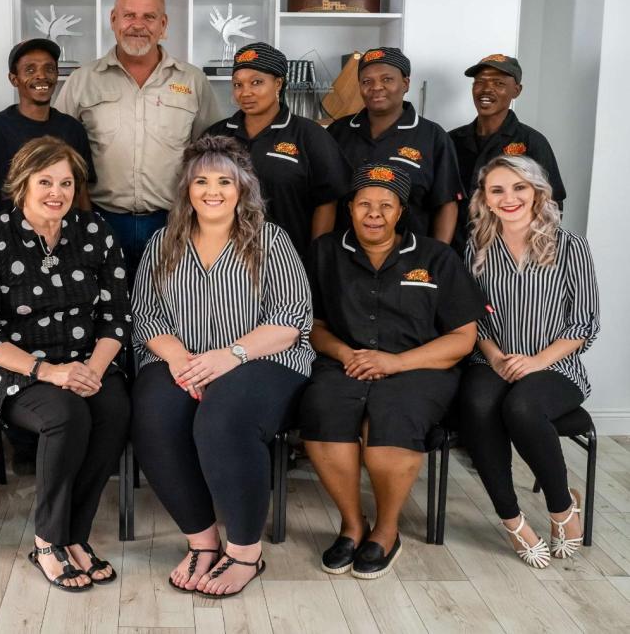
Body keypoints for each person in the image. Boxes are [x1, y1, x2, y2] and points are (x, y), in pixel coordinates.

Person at [130, 135, 314, 598]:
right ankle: (202, 542)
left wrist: (229, 356)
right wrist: (180, 360)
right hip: (182, 357)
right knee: (153, 416)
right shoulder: (162, 243)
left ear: (242, 188)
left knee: (222, 418)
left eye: (224, 182)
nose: (212, 191)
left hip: (263, 358)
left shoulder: (270, 240)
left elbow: (292, 320)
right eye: (201, 181)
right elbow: (146, 315)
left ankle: (245, 552)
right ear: (186, 189)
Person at [0, 136, 131, 592]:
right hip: (11, 366)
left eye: (66, 183)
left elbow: (115, 316)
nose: (57, 192)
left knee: (113, 409)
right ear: (22, 184)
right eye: (45, 182)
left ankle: (75, 535)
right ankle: (48, 540)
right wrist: (48, 372)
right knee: (65, 414)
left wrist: (93, 371)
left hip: (86, 359)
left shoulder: (94, 231)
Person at [300, 163, 486, 579]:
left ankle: (386, 529)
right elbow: (312, 325)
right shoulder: (325, 252)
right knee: (323, 410)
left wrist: (396, 362)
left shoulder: (436, 257)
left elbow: (462, 337)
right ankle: (352, 525)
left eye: (386, 205)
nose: (374, 213)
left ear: (401, 211)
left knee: (393, 418)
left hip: (419, 366)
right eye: (364, 204)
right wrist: (346, 353)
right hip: (345, 362)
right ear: (350, 207)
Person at [458, 155, 598, 568]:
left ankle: (562, 507)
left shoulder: (570, 246)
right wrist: (495, 356)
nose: (509, 198)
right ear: (485, 198)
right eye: (497, 190)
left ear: (537, 191)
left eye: (519, 187)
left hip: (555, 366)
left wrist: (535, 362)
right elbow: (472, 319)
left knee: (521, 406)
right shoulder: (477, 247)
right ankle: (512, 520)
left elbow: (584, 323)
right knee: (477, 405)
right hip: (492, 360)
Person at [53, 0, 222, 277]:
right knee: (105, 300)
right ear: (113, 20)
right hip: (99, 219)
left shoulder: (193, 81)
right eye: (129, 15)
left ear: (163, 24)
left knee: (168, 301)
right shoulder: (82, 80)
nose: (138, 25)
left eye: (149, 17)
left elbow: (211, 155)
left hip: (172, 221)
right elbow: (57, 152)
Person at [204, 42, 351, 259]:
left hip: (288, 258)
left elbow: (327, 201)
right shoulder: (217, 134)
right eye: (237, 85)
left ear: (278, 83)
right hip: (225, 259)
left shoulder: (309, 135)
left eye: (256, 82)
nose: (245, 92)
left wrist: (314, 258)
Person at [327, 47, 463, 244]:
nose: (376, 87)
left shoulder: (433, 137)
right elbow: (324, 199)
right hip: (343, 253)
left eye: (387, 79)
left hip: (410, 256)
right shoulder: (337, 132)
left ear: (405, 84)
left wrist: (437, 255)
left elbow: (446, 203)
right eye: (367, 81)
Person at [0, 38, 95, 222]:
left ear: (57, 74)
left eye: (49, 69)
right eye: (30, 69)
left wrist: (88, 234)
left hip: (64, 235)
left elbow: (81, 195)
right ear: (14, 79)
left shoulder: (73, 129)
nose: (41, 75)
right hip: (9, 236)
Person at [449, 54, 566, 250]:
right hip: (456, 253)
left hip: (507, 255)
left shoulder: (531, 142)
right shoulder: (451, 140)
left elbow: (552, 205)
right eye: (480, 82)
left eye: (499, 83)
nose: (487, 89)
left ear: (516, 91)